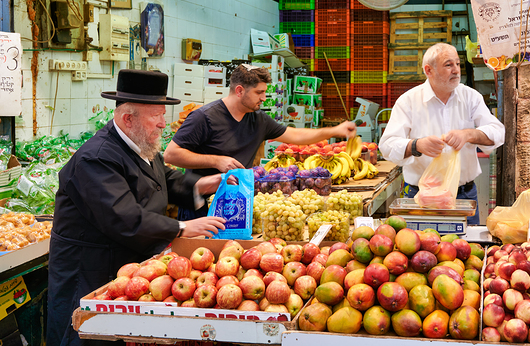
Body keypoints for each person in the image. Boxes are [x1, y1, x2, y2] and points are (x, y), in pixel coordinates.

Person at [47, 70, 227, 346]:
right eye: (156, 115)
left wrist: (201, 185)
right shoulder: (95, 159)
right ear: (127, 118)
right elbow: (123, 217)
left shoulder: (138, 144)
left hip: (126, 268)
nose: (162, 124)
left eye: (162, 114)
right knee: (87, 338)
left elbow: (163, 179)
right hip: (90, 273)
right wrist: (181, 227)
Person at [163, 63, 356, 220]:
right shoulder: (203, 117)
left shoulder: (258, 119)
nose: (264, 98)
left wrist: (334, 131)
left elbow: (294, 136)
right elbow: (171, 154)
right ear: (239, 90)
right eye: (258, 92)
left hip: (237, 204)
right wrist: (216, 161)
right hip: (200, 207)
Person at [379, 43, 505, 225]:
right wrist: (416, 145)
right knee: (421, 252)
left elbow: (498, 132)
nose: (456, 70)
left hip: (463, 195)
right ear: (428, 70)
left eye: (457, 64)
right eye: (448, 65)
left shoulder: (471, 97)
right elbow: (387, 146)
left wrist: (469, 134)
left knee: (465, 250)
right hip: (422, 198)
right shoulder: (408, 101)